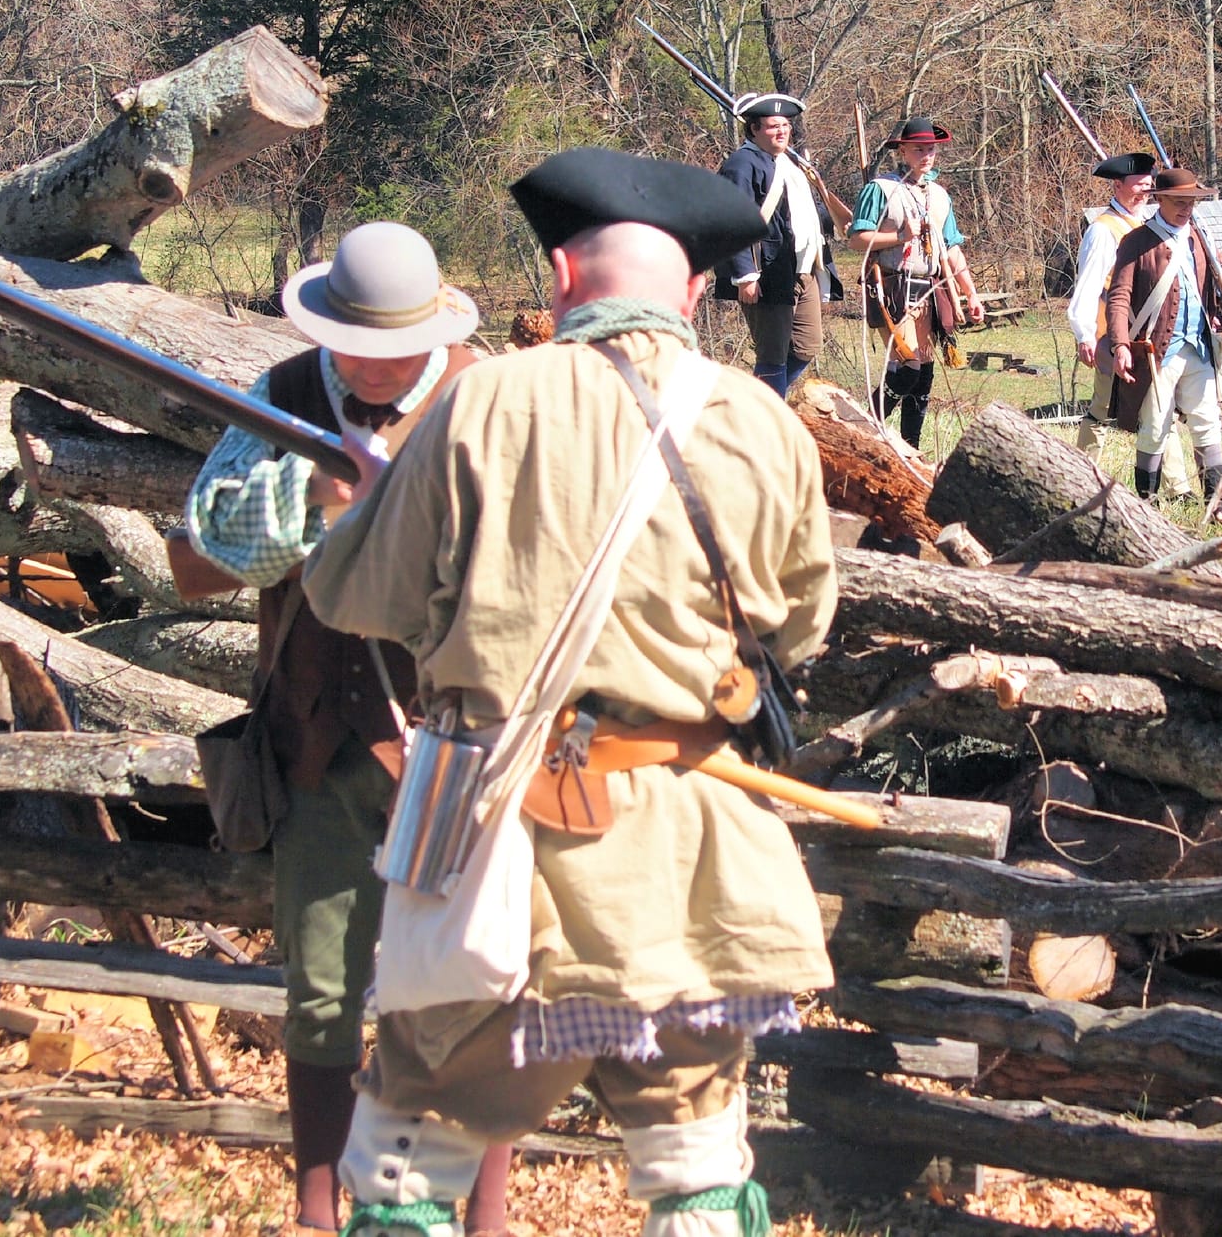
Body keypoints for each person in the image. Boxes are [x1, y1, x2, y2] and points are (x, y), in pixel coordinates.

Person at [299, 148, 838, 1237]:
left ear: (558, 276)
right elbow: (801, 626)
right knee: (696, 1155)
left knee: (412, 1147)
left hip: (496, 839)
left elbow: (357, 596)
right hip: (690, 846)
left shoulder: (480, 402)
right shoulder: (765, 422)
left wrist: (356, 510)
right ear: (691, 292)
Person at [181, 223, 513, 1237]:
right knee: (323, 992)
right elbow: (202, 549)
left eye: (389, 345)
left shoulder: (486, 396)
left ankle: (481, 1221)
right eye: (352, 343)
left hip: (464, 744)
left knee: (472, 992)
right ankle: (316, 1213)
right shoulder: (284, 397)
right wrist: (313, 496)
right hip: (319, 745)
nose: (367, 364)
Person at [1104, 168, 1222, 503]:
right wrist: (1119, 345)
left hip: (1199, 346)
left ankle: (1217, 505)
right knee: (1155, 428)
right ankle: (1147, 503)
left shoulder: (1202, 237)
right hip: (1158, 351)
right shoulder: (1137, 241)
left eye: (1191, 201)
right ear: (1159, 200)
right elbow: (1119, 296)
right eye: (1178, 201)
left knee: (1207, 424)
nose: (1186, 208)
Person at [1065, 150, 1198, 489]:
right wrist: (1085, 334)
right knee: (1102, 409)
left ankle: (1176, 485)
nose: (1144, 189)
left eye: (1149, 184)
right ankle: (1080, 477)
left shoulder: (1153, 227)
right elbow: (1091, 284)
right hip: (1113, 333)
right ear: (1118, 186)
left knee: (1160, 406)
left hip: (1151, 335)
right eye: (1138, 184)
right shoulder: (1103, 230)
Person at [849, 115, 983, 449]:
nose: (927, 155)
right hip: (891, 288)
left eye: (931, 150)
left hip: (929, 289)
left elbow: (951, 249)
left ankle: (911, 448)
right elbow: (856, 238)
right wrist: (899, 235)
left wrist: (971, 294)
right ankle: (865, 432)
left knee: (923, 373)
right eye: (919, 149)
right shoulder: (879, 189)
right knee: (906, 368)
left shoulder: (939, 196)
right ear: (903, 151)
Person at [713, 92, 850, 398]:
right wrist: (746, 275)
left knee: (806, 346)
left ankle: (756, 404)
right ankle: (764, 417)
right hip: (767, 273)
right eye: (773, 126)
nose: (782, 131)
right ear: (754, 130)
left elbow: (803, 214)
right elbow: (733, 221)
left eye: (785, 125)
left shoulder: (789, 164)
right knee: (772, 355)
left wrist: (844, 224)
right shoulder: (741, 165)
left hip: (802, 269)